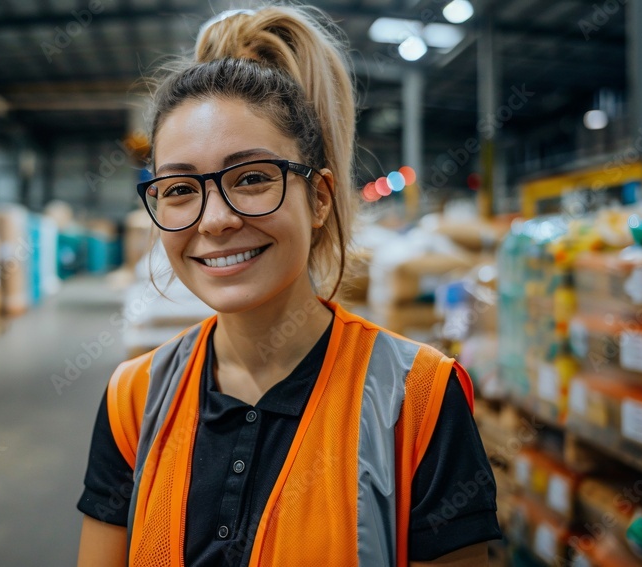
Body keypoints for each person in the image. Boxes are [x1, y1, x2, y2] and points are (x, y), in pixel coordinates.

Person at [77, 6, 501, 566]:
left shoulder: (416, 399)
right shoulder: (134, 399)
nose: (213, 220)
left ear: (320, 197)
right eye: (179, 188)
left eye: (251, 178)